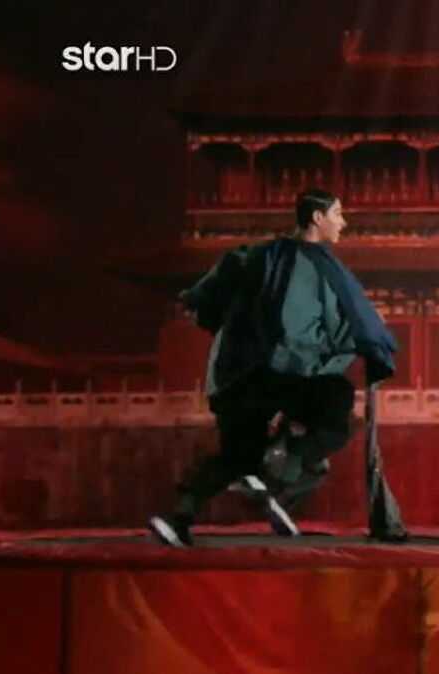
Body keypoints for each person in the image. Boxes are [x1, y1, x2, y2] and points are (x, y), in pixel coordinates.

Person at [148, 188, 404, 547]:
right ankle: (281, 464)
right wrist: (373, 340)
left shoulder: (254, 256)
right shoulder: (326, 272)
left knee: (237, 455)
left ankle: (179, 518)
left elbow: (208, 297)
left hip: (238, 374)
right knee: (336, 409)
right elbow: (342, 326)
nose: (343, 223)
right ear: (317, 218)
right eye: (338, 214)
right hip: (284, 374)